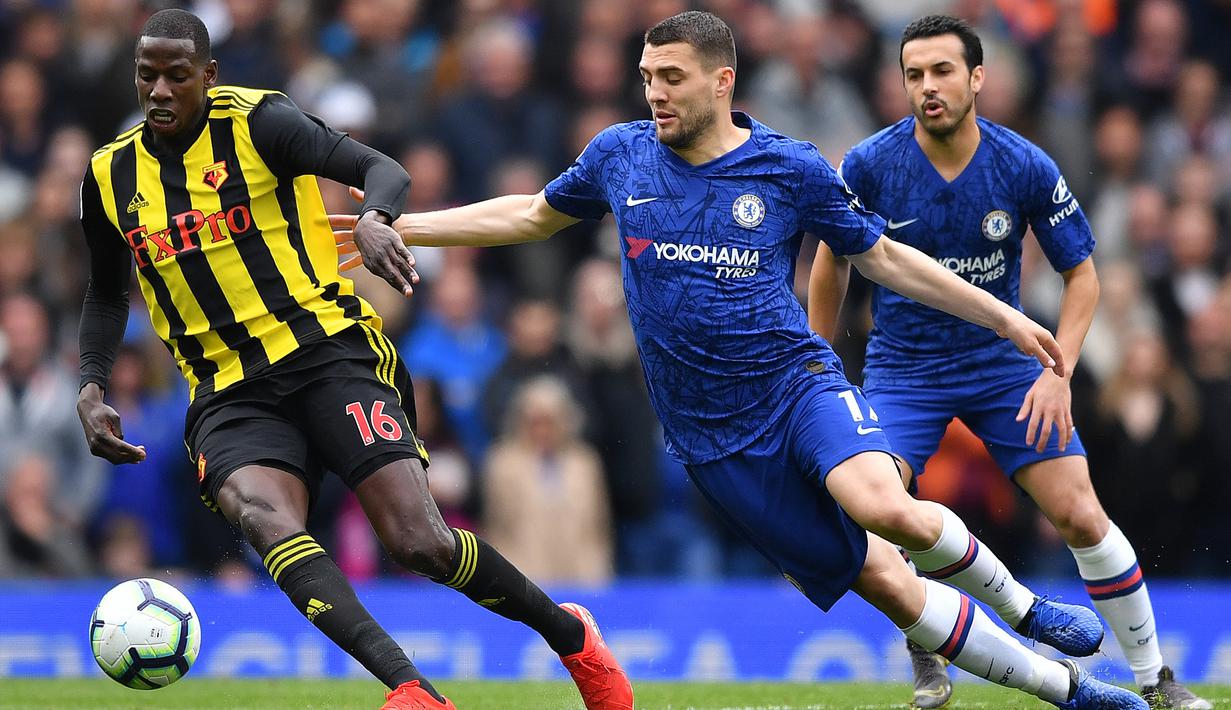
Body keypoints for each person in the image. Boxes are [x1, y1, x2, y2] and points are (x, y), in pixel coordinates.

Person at [334, 11, 1144, 709]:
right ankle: (1068, 691)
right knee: (893, 588)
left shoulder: (789, 167)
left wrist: (1004, 315)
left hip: (797, 385)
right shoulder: (620, 155)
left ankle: (1027, 606)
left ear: (721, 81)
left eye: (671, 78)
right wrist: (405, 227)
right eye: (647, 75)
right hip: (714, 442)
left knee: (882, 502)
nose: (654, 91)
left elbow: (885, 260)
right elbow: (530, 215)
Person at [75, 10, 631, 710]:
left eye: (176, 76)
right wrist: (92, 383)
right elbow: (104, 290)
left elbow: (380, 168)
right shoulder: (109, 175)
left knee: (418, 542)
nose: (158, 90)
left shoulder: (260, 123)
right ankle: (412, 690)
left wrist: (375, 217)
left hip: (327, 352)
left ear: (208, 77)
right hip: (226, 387)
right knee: (261, 512)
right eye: (146, 75)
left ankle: (570, 635)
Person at [809, 15, 1210, 710]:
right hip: (904, 368)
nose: (927, 87)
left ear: (977, 78)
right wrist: (818, 367)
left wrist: (1060, 375)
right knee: (880, 510)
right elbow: (829, 267)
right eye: (913, 75)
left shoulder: (1021, 163)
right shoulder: (868, 165)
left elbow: (1082, 276)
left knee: (1081, 515)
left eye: (941, 71)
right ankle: (927, 648)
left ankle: (1155, 680)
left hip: (1002, 365)